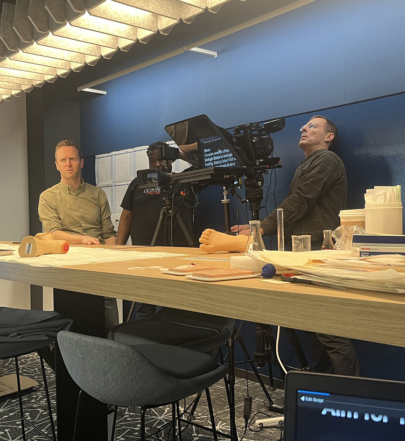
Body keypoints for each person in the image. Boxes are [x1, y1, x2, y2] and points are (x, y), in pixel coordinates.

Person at [201, 115, 359, 376]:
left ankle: (352, 396)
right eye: (304, 126)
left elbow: (301, 200)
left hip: (318, 253)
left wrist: (260, 228)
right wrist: (259, 227)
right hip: (303, 254)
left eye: (313, 126)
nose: (304, 129)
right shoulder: (308, 163)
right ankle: (323, 387)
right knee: (315, 327)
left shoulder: (327, 160)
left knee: (328, 330)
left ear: (329, 136)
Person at [38, 139, 119, 329]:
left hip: (100, 262)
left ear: (81, 162)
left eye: (72, 159)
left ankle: (114, 353)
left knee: (108, 316)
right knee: (76, 318)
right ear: (57, 165)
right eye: (63, 160)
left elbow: (108, 232)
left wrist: (115, 260)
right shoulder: (48, 197)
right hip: (69, 265)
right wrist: (82, 239)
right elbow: (53, 233)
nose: (68, 164)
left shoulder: (98, 194)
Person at [117, 142, 195, 319]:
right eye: (153, 161)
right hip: (145, 255)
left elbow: (204, 165)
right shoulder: (138, 183)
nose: (158, 164)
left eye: (162, 159)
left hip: (179, 255)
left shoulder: (185, 180)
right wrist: (117, 250)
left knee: (181, 305)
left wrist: (179, 153)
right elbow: (126, 217)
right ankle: (143, 342)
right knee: (145, 305)